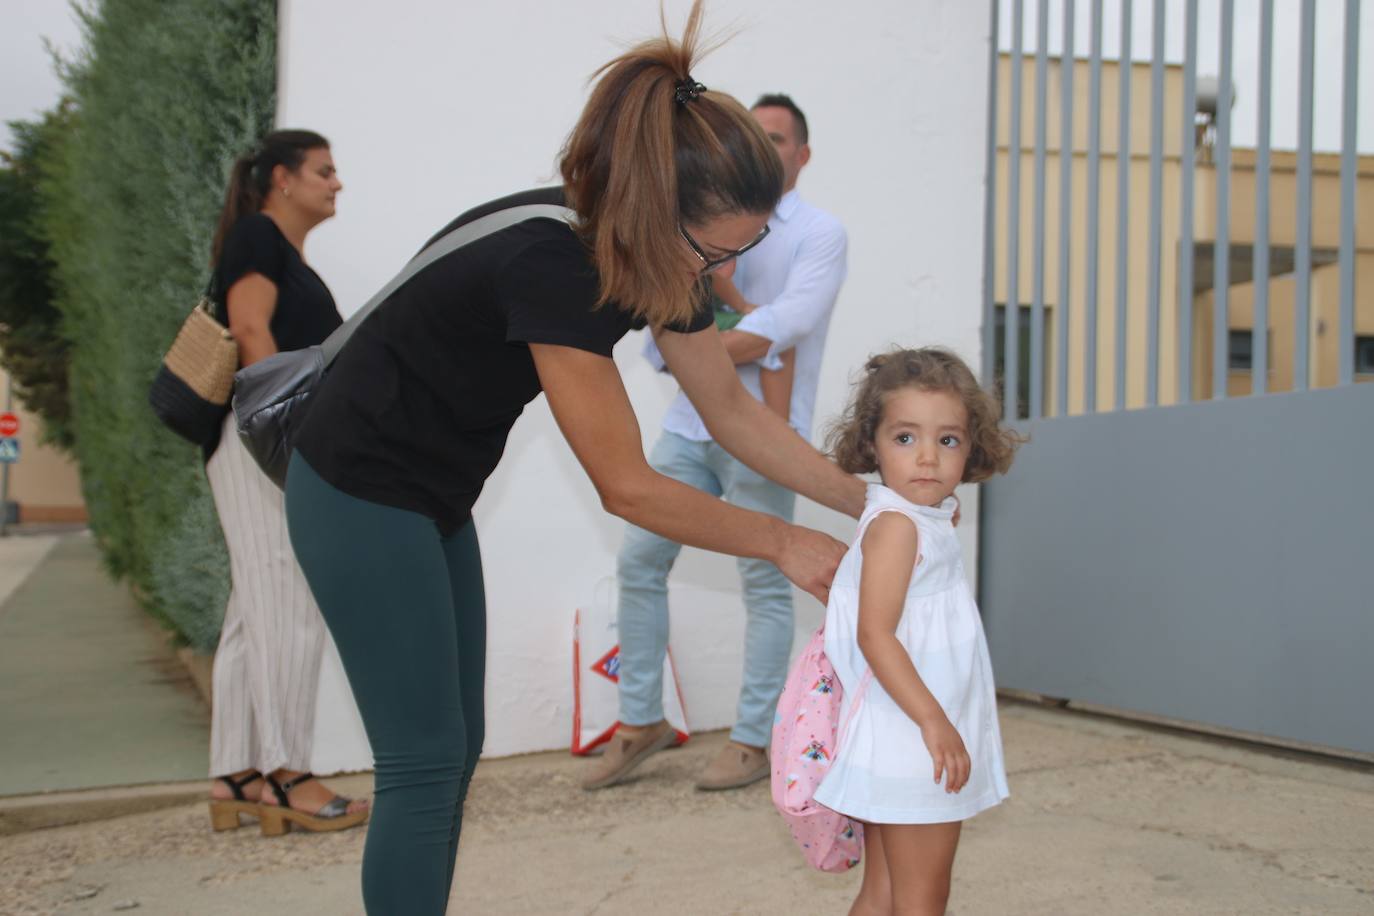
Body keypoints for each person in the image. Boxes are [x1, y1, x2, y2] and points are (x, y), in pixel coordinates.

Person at [281, 5, 866, 912]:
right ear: (664, 211)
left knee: (453, 749)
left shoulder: (661, 256)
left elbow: (730, 413)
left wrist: (868, 502)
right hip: (355, 487)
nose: (728, 269)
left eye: (748, 245)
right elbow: (627, 487)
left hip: (432, 496)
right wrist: (787, 543)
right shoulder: (553, 261)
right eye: (722, 249)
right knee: (423, 760)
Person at [586, 93, 847, 792]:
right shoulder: (698, 215)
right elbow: (661, 344)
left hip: (765, 435)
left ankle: (753, 740)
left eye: (778, 138)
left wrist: (702, 349)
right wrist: (715, 345)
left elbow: (790, 323)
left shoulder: (819, 233)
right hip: (688, 426)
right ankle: (640, 721)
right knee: (640, 561)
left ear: (803, 154)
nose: (764, 147)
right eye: (754, 136)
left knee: (766, 581)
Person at [813, 347, 1021, 916]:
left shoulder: (913, 519)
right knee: (922, 901)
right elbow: (875, 635)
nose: (928, 457)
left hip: (897, 737)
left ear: (972, 446)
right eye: (905, 438)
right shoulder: (898, 529)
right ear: (871, 443)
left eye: (947, 440)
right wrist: (934, 721)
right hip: (917, 741)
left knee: (884, 893)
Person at [204, 130, 369, 836]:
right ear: (282, 178)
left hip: (257, 441)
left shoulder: (283, 253)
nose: (336, 183)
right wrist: (284, 432)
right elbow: (249, 328)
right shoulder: (257, 238)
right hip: (261, 443)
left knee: (255, 606)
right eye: (323, 171)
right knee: (289, 600)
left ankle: (236, 773)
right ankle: (287, 775)